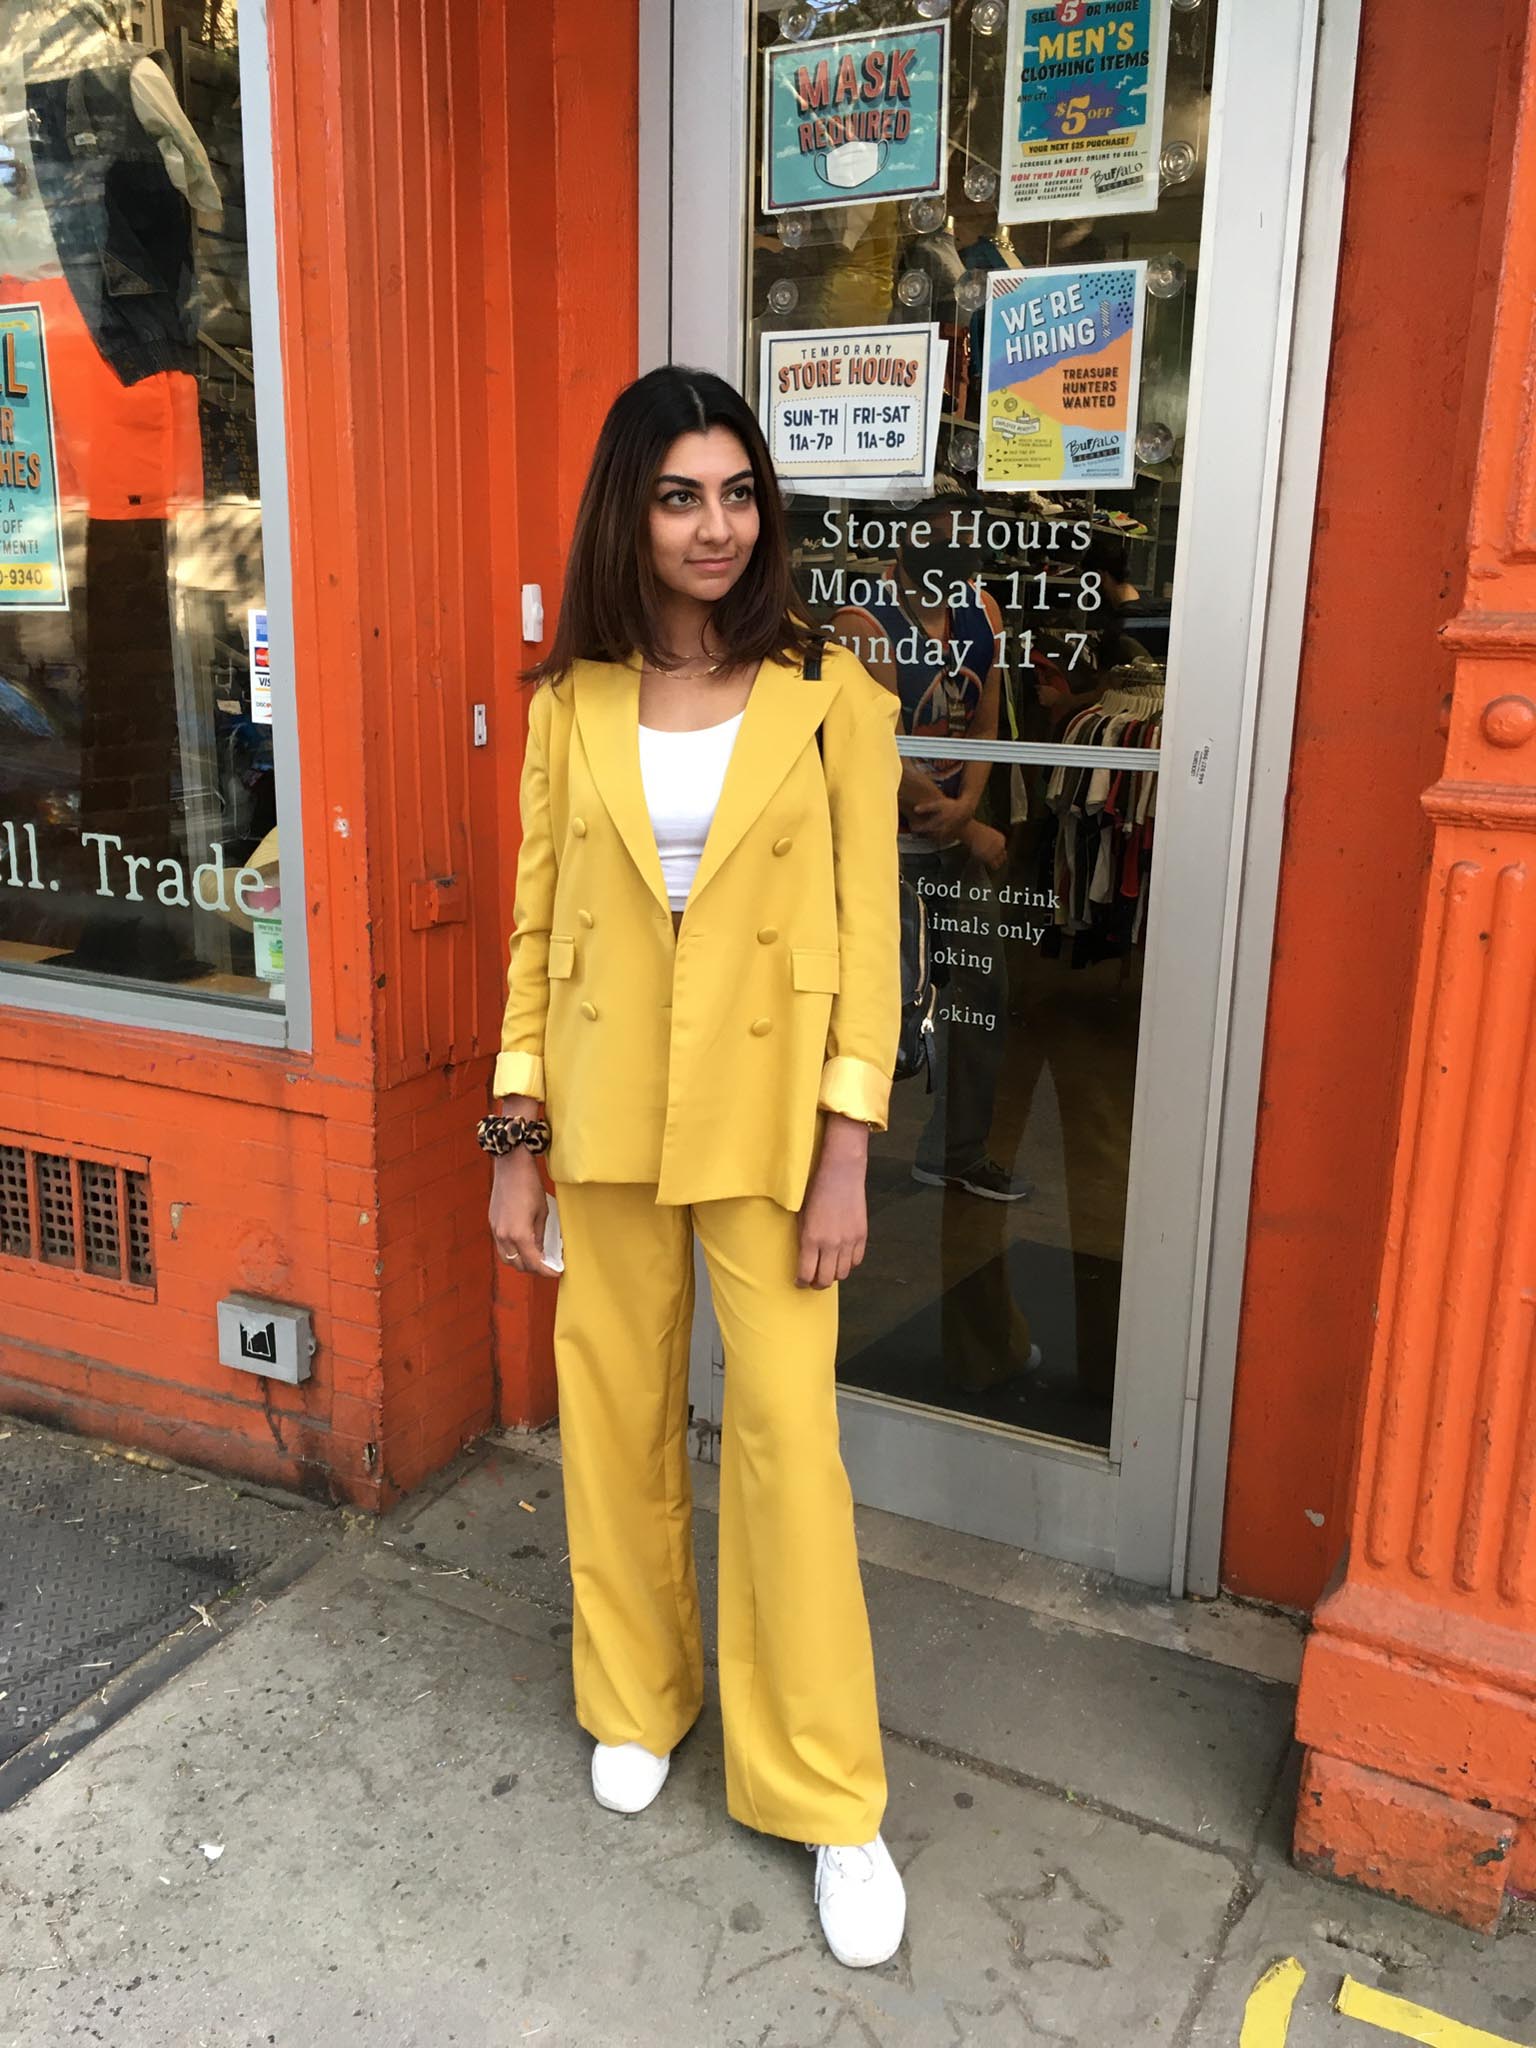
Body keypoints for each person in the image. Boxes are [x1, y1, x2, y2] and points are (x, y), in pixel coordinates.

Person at [484, 365, 907, 1970]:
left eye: (737, 492)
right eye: (680, 495)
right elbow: (537, 936)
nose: (716, 525)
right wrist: (513, 1144)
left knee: (789, 1442)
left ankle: (826, 1793)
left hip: (773, 1124)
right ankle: (638, 1693)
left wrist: (850, 1149)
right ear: (631, 512)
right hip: (599, 1118)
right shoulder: (566, 704)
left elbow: (869, 943)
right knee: (611, 1407)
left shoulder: (831, 696)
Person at [831, 493, 1031, 1202]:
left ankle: (958, 1150)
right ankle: (830, 1160)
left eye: (965, 554)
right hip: (887, 847)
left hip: (950, 832)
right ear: (909, 551)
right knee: (882, 1017)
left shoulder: (983, 609)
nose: (956, 568)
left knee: (982, 992)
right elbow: (882, 749)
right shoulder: (864, 622)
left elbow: (986, 718)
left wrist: (970, 804)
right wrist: (964, 822)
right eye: (943, 551)